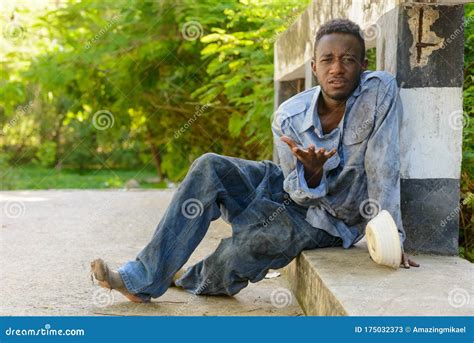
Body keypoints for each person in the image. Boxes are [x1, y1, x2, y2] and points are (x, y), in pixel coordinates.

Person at [91, 18, 419, 304]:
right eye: (328, 60)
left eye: (348, 60)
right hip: (288, 187)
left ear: (363, 65)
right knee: (209, 166)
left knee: (243, 249)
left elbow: (383, 165)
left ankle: (189, 277)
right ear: (314, 67)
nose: (337, 68)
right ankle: (140, 279)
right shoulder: (289, 116)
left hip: (328, 220)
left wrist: (394, 238)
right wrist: (311, 174)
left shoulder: (379, 93)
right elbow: (296, 189)